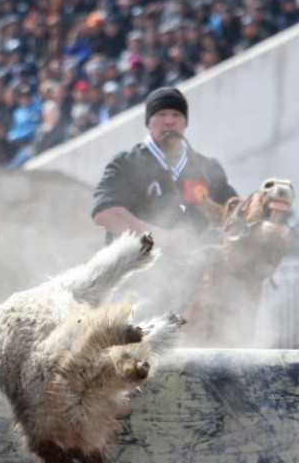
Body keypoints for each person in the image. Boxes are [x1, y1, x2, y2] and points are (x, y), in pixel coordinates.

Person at [90, 86, 237, 313]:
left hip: (196, 280)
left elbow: (234, 210)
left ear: (185, 123)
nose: (169, 121)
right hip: (134, 281)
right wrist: (163, 238)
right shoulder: (126, 163)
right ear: (149, 122)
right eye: (161, 114)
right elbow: (106, 214)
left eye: (176, 115)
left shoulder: (206, 168)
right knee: (141, 314)